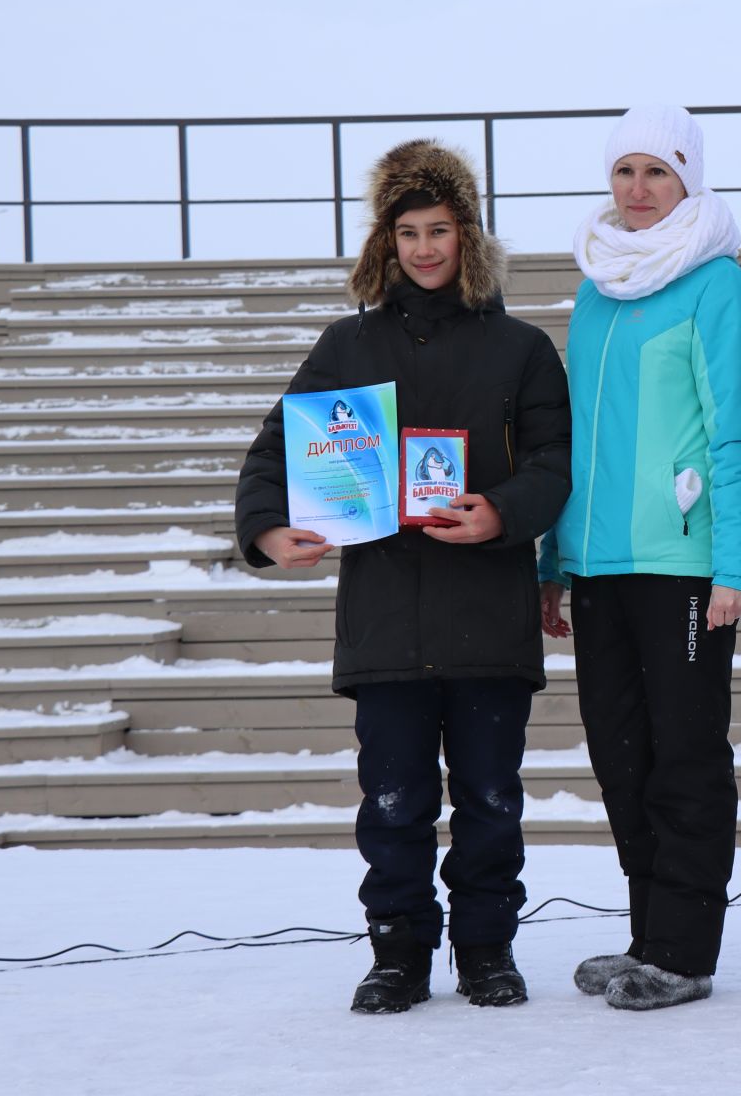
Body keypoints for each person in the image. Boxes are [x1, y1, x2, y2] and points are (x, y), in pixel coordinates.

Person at [235, 139, 571, 1014]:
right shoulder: (346, 346)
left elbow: (553, 462)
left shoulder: (523, 348)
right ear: (385, 243)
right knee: (392, 807)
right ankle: (398, 955)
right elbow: (277, 449)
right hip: (385, 621)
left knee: (492, 802)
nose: (425, 248)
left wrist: (502, 513)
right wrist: (271, 528)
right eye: (408, 232)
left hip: (487, 619)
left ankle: (487, 950)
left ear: (471, 238)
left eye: (441, 230)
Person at [537, 104, 741, 1011]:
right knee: (621, 755)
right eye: (625, 172)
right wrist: (554, 561)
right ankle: (647, 934)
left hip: (681, 562)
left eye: (658, 174)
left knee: (684, 756)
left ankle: (682, 949)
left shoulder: (717, 285)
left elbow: (732, 435)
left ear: (689, 182)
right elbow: (575, 442)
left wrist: (735, 566)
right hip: (597, 565)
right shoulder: (597, 288)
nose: (638, 192)